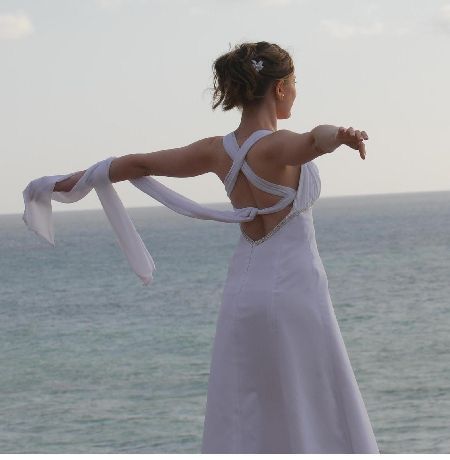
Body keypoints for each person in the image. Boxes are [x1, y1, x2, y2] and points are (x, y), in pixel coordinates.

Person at [25, 41, 378, 453]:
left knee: (251, 403)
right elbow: (314, 139)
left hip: (244, 293)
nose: (296, 92)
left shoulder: (215, 151)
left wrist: (68, 182)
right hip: (295, 290)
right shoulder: (276, 145)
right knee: (312, 396)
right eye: (294, 83)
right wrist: (342, 135)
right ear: (280, 87)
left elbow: (139, 163)